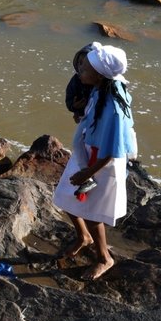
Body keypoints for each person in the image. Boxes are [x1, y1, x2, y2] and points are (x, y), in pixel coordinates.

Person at [53, 44, 137, 280]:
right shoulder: (103, 88)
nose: (80, 71)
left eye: (86, 67)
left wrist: (88, 172)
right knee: (65, 195)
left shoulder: (114, 107)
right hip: (87, 154)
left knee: (91, 212)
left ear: (100, 74)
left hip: (101, 162)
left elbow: (113, 150)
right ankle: (83, 237)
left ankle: (104, 258)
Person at [66, 42, 100, 123]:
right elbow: (69, 99)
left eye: (85, 65)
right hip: (82, 116)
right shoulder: (76, 80)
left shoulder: (102, 84)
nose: (81, 67)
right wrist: (74, 106)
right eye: (79, 63)